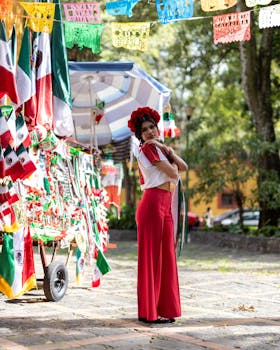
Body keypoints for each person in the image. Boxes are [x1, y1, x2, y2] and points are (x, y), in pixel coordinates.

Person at [127, 106, 188, 324]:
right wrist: (160, 148)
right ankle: (148, 312)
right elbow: (173, 172)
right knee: (151, 259)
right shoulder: (147, 150)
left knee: (167, 258)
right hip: (152, 204)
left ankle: (164, 309)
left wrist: (165, 147)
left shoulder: (159, 149)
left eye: (152, 127)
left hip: (165, 204)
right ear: (140, 135)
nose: (150, 132)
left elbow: (184, 167)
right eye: (145, 130)